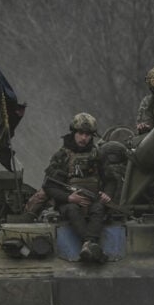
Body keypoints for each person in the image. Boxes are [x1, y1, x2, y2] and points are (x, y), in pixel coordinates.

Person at [43, 112, 115, 262]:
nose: (84, 138)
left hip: (93, 200)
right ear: (73, 133)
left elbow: (110, 179)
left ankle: (88, 244)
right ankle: (90, 243)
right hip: (69, 203)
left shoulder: (97, 155)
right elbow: (49, 186)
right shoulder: (62, 156)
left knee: (99, 209)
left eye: (88, 135)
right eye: (81, 133)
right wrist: (69, 198)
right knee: (72, 210)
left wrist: (107, 194)